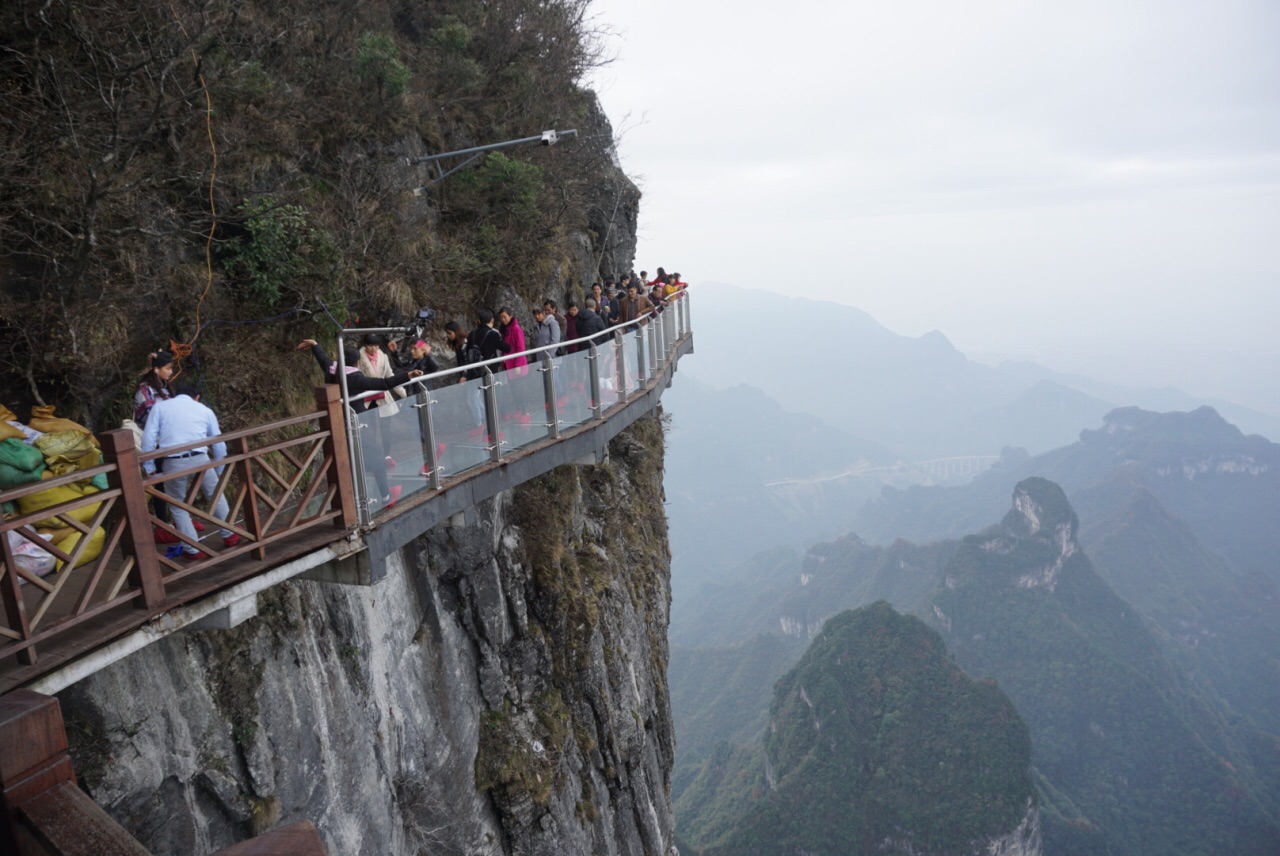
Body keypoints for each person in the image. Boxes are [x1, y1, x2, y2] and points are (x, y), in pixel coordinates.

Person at [298, 338, 423, 508]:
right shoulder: (355, 378)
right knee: (377, 459)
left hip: (338, 422)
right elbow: (384, 383)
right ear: (357, 362)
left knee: (351, 459)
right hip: (358, 423)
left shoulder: (331, 370)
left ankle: (351, 501)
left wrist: (315, 344)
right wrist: (408, 375)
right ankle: (386, 497)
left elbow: (323, 358)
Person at [140, 382, 237, 560]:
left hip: (173, 461)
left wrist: (150, 467)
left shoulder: (160, 407)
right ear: (197, 397)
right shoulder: (204, 410)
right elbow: (219, 443)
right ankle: (230, 534)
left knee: (177, 505)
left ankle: (193, 549)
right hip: (200, 459)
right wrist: (219, 468)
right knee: (215, 494)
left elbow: (148, 439)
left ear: (176, 394)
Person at [134, 351, 183, 540]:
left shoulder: (163, 387)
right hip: (154, 444)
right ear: (156, 369)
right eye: (168, 368)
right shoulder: (144, 390)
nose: (171, 372)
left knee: (175, 480)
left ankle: (180, 520)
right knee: (160, 484)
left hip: (169, 442)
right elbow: (151, 418)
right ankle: (163, 525)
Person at [358, 333, 401, 468]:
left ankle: (386, 455)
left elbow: (389, 374)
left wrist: (401, 391)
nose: (373, 348)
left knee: (386, 427)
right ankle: (373, 457)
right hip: (367, 396)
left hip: (383, 395)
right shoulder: (359, 358)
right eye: (370, 345)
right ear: (365, 346)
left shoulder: (383, 356)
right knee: (370, 429)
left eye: (376, 345)